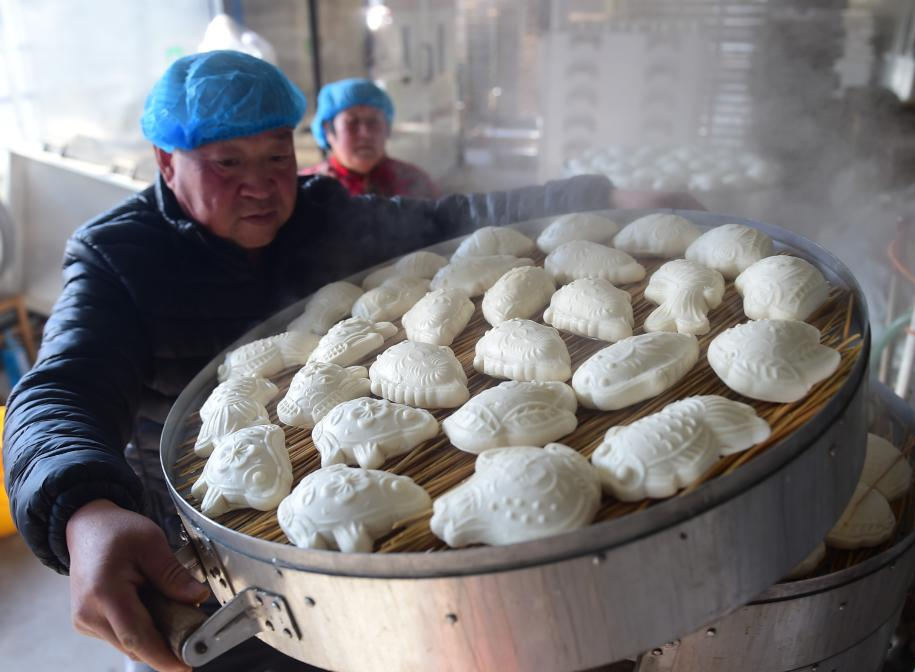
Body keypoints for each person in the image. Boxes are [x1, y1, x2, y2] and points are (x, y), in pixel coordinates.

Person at [1, 50, 695, 672]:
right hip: (203, 550)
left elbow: (452, 219)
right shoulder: (118, 258)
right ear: (165, 161)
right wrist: (84, 509)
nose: (262, 187)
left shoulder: (320, 212)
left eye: (277, 157)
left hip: (354, 515)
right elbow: (58, 392)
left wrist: (602, 198)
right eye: (227, 163)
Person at [303, 78, 439, 198]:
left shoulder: (415, 183)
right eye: (352, 122)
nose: (365, 133)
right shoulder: (307, 189)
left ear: (387, 129)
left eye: (373, 122)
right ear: (328, 130)